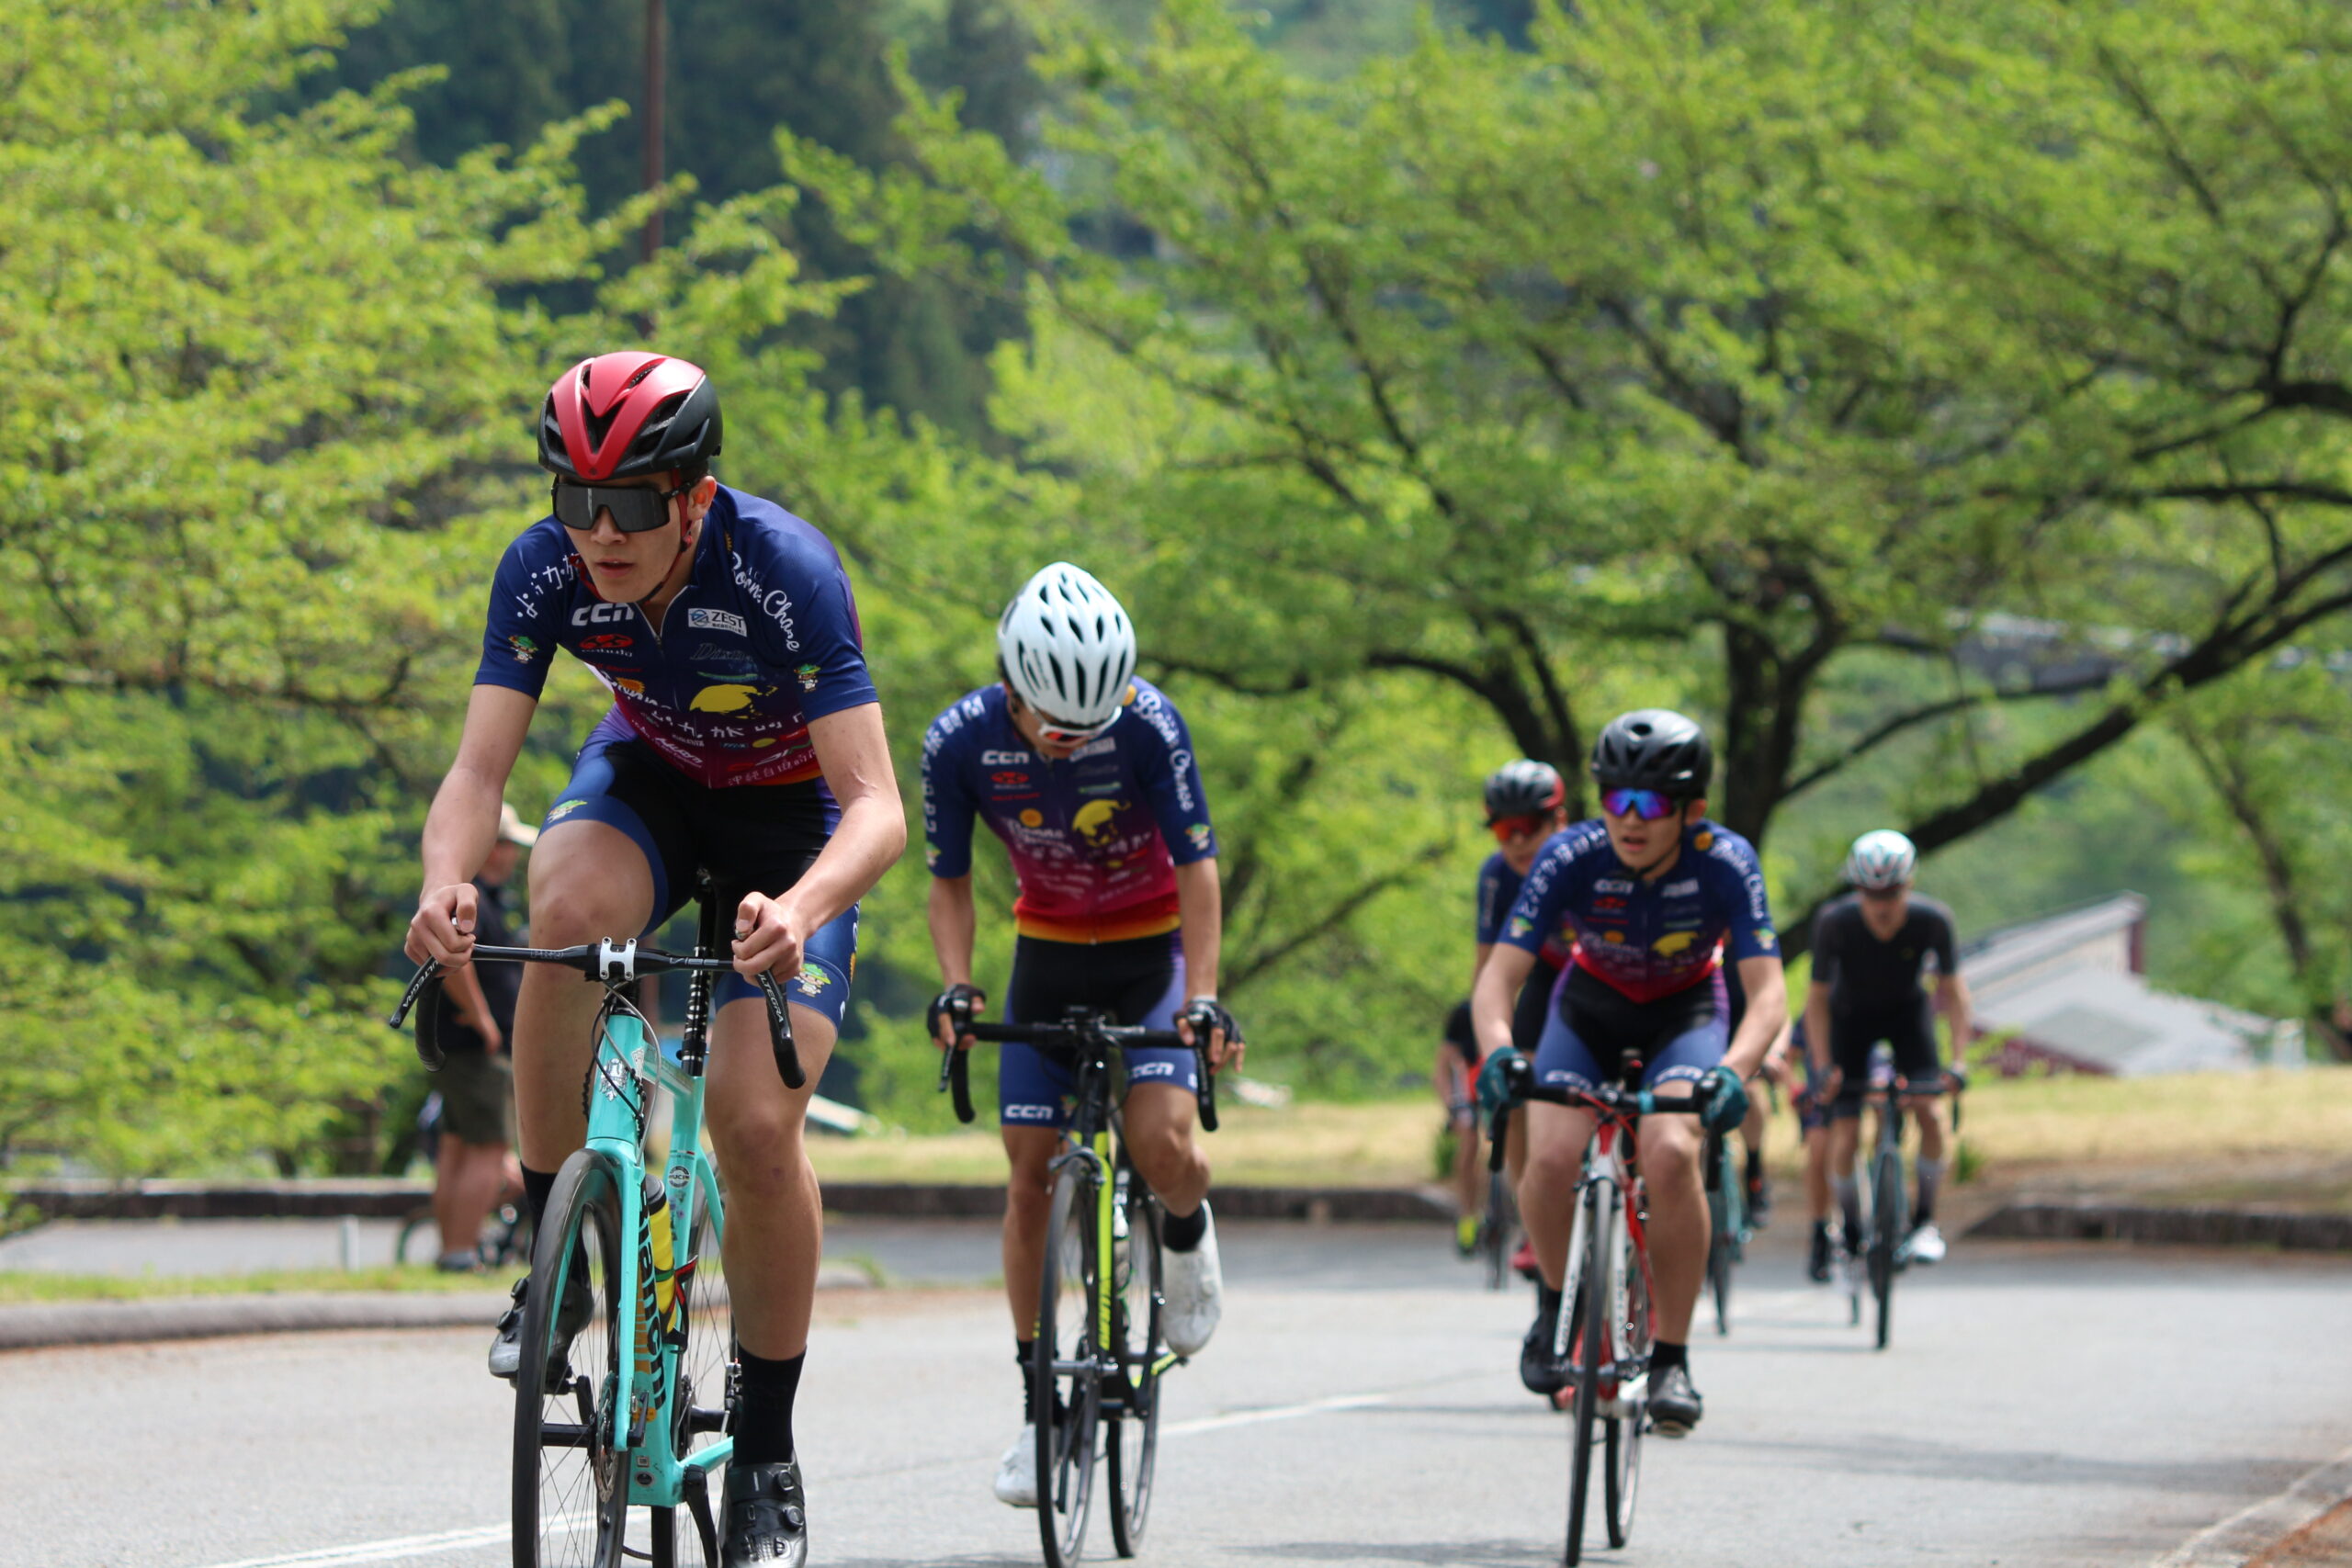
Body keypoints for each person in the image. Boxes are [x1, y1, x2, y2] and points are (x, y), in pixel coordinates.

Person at [405, 351, 904, 1568]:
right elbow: (479, 777)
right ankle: (555, 1252)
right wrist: (440, 883)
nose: (600, 534)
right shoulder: (543, 568)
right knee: (560, 902)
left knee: (749, 1117)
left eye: (629, 503)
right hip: (655, 788)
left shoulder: (783, 569)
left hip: (794, 833)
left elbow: (879, 804)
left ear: (694, 495)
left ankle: (769, 1445)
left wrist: (801, 905)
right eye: (576, 502)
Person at [922, 562, 1243, 1511]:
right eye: (1059, 728)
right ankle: (1037, 1410)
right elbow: (946, 877)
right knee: (1027, 1178)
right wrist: (956, 986)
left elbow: (1198, 865)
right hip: (1048, 950)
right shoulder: (959, 742)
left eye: (1094, 724)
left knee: (1162, 1141)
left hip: (1150, 955)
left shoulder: (1150, 722)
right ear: (1009, 684)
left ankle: (1183, 1234)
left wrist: (1206, 995)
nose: (1077, 742)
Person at [1472, 709, 1785, 1438]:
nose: (1631, 820)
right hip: (1587, 1007)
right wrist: (1496, 1049)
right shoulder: (1569, 855)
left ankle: (1672, 1358)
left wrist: (1735, 1071)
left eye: (1651, 804)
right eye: (1616, 799)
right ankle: (1554, 1309)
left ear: (1692, 810)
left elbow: (1767, 991)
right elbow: (1499, 978)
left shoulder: (1725, 859)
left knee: (1673, 1152)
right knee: (1549, 1155)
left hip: (1686, 1011)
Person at [1804, 829, 1973, 1269]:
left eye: (1892, 892)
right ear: (1856, 889)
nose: (1881, 904)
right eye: (1870, 892)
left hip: (1906, 1016)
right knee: (1845, 1133)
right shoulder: (1834, 922)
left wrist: (1957, 1062)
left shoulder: (1932, 920)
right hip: (1849, 1020)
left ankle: (1924, 1220)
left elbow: (1953, 992)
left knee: (1931, 1114)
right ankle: (1853, 1225)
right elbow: (1817, 1001)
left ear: (1909, 885)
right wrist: (1822, 1066)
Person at [1470, 760, 1572, 1272]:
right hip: (1545, 975)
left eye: (1529, 828)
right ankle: (1535, 1219)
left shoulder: (1584, 858)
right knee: (1517, 1090)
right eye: (1503, 829)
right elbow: (1488, 970)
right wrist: (1488, 1050)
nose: (1516, 842)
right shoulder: (1497, 876)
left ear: (1560, 820)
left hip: (1604, 976)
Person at [425, 802, 537, 1270]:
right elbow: (453, 963)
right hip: (476, 1044)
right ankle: (461, 1252)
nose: (512, 856)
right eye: (509, 845)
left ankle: (452, 1247)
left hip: (457, 1044)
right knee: (489, 1148)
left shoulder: (486, 897)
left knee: (458, 1144)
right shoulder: (469, 896)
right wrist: (484, 1019)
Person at [1435, 1000, 1483, 1252]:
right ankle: (1468, 1216)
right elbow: (1442, 1066)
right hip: (1468, 1089)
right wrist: (1451, 1106)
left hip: (1503, 1084)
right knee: (1468, 1148)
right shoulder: (1464, 1012)